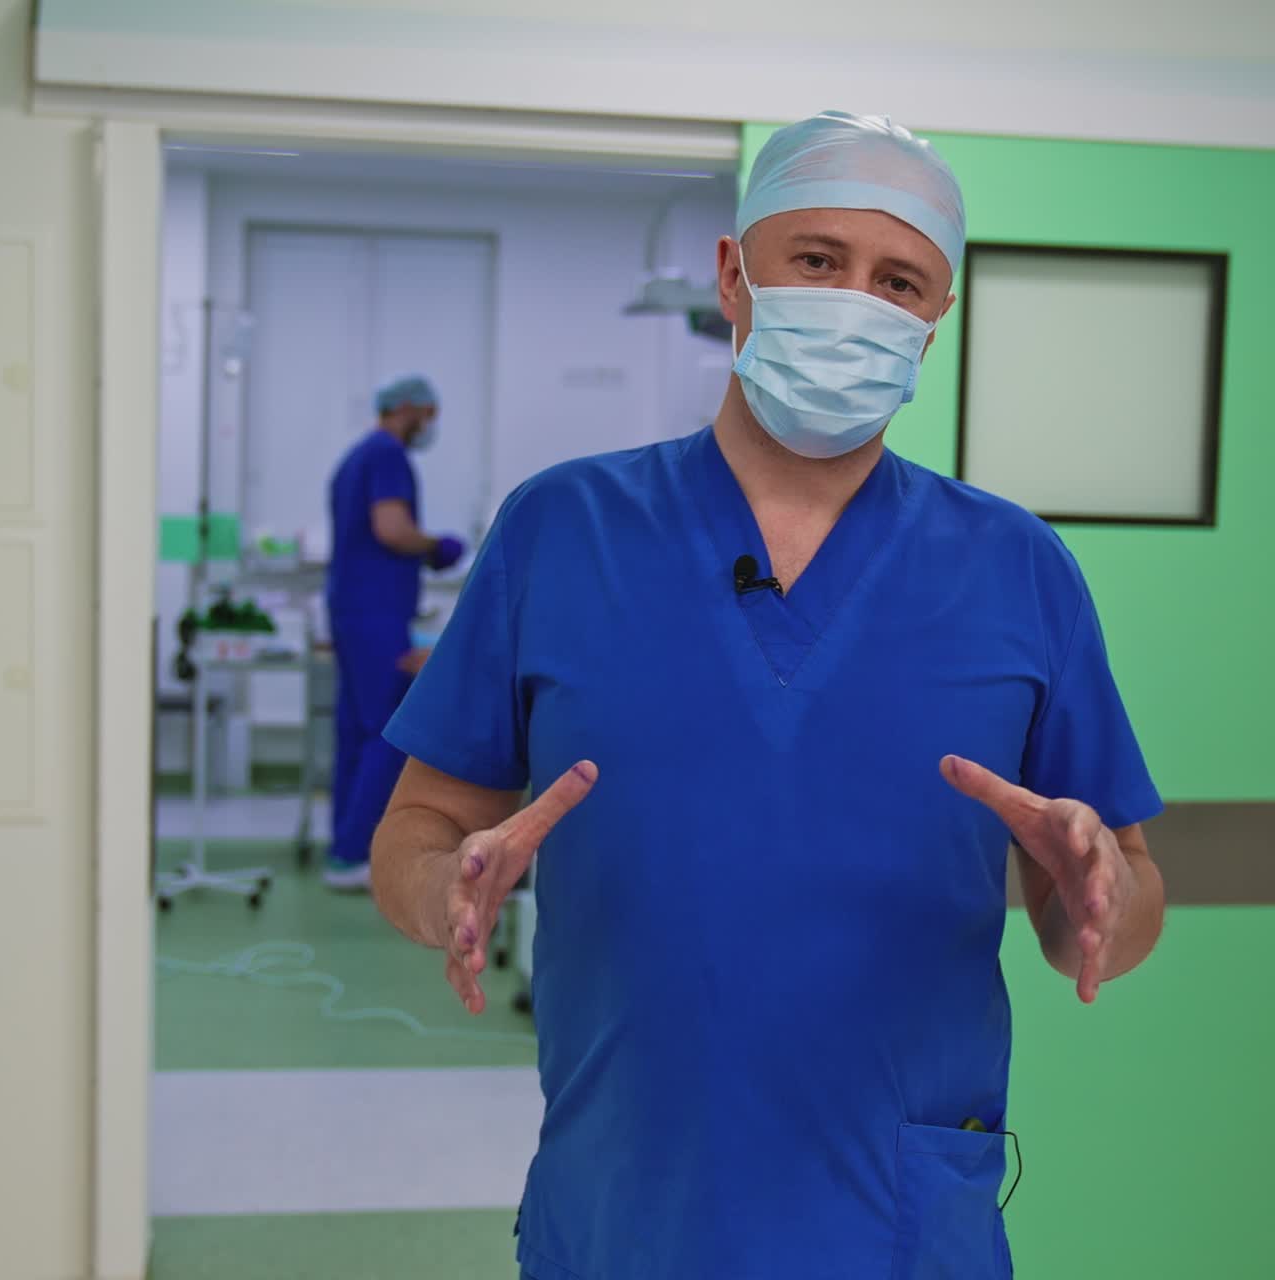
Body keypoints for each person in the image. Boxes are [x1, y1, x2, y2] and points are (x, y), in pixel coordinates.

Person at [370, 113, 1166, 1278]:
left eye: (897, 281)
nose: (854, 304)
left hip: (896, 1228)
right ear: (733, 274)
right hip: (625, 1209)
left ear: (934, 318)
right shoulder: (561, 532)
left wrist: (1096, 895)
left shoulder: (1015, 569)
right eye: (816, 260)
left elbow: (1119, 897)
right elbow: (418, 826)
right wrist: (443, 884)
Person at [322, 375, 464, 891]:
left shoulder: (355, 458)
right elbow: (391, 529)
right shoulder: (387, 456)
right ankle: (353, 853)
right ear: (406, 408)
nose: (429, 426)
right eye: (428, 415)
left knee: (356, 732)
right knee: (387, 732)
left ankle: (342, 848)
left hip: (352, 608)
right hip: (375, 612)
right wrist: (436, 546)